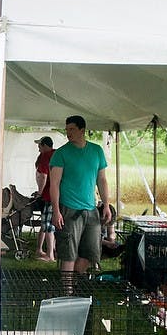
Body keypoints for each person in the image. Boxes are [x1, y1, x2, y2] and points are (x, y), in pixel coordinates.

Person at [49, 115, 110, 275]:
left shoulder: (97, 151)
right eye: (67, 129)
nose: (68, 133)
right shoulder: (61, 154)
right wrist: (56, 211)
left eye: (72, 129)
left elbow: (102, 180)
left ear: (82, 130)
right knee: (68, 254)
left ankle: (75, 283)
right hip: (68, 209)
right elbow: (54, 184)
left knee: (90, 253)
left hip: (91, 210)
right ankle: (67, 293)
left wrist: (106, 205)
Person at [33, 136, 56, 262]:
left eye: (39, 146)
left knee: (48, 225)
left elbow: (43, 176)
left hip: (49, 196)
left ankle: (50, 255)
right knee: (47, 223)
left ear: (45, 145)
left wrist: (40, 192)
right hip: (60, 195)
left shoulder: (45, 156)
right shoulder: (57, 154)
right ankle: (41, 250)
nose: (38, 148)